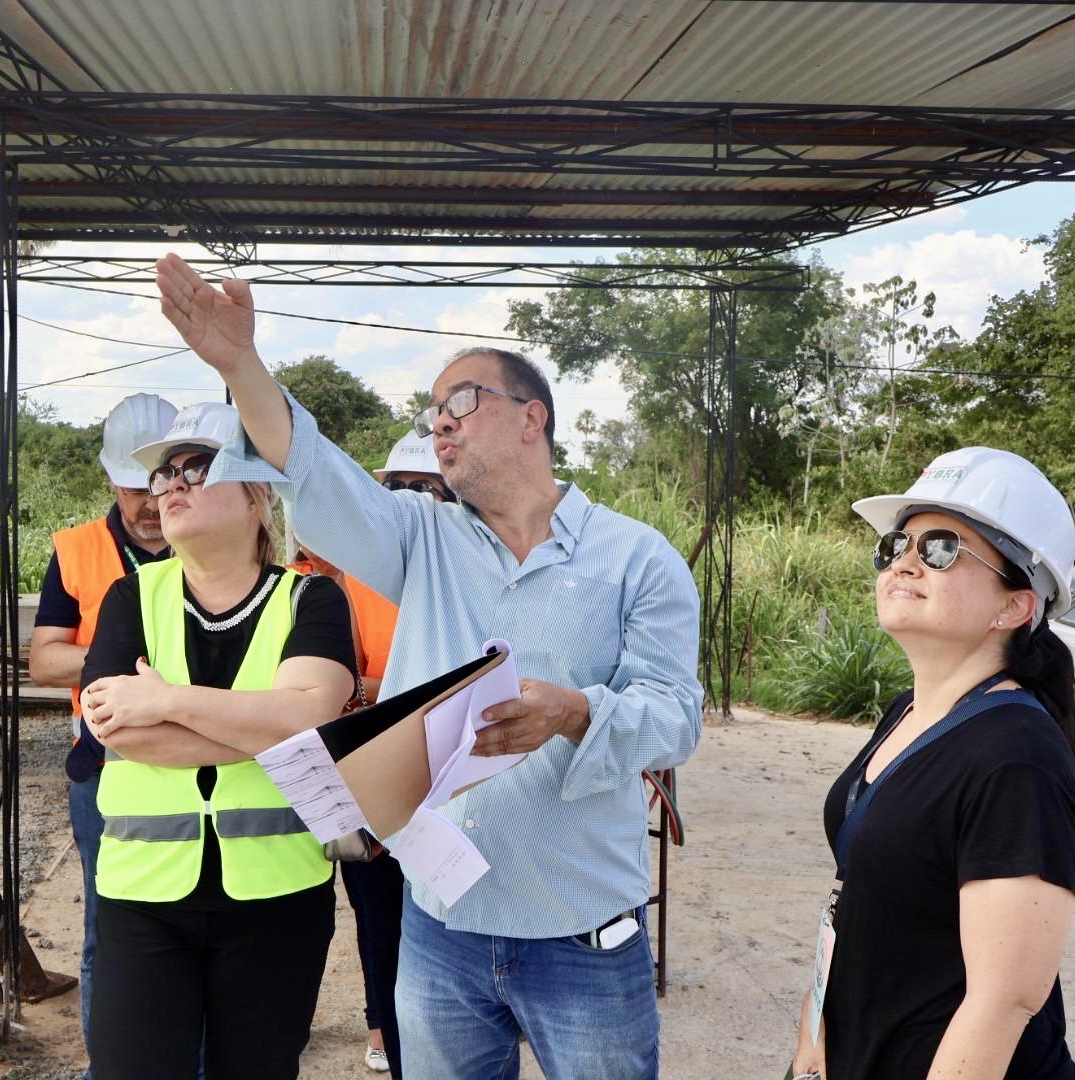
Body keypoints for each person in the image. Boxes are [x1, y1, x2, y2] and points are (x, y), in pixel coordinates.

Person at [155, 253, 704, 1079]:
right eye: (432, 410)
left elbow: (676, 717)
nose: (439, 424)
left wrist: (574, 710)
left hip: (583, 928)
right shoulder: (422, 537)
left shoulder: (638, 559)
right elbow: (315, 467)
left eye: (461, 403)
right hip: (444, 925)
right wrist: (241, 365)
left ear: (533, 419)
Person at [77, 402, 357, 1080]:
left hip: (277, 899)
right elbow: (115, 728)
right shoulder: (130, 597)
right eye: (165, 473)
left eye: (197, 468)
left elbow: (311, 718)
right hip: (143, 898)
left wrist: (167, 700)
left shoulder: (312, 601)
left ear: (258, 495)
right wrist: (267, 723)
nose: (170, 484)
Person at [793, 447, 1075, 1080]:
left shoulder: (1018, 759)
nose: (904, 560)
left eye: (942, 549)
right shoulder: (908, 711)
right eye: (898, 545)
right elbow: (854, 897)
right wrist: (812, 1037)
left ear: (1015, 606)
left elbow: (1003, 1000)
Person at [287, 430, 455, 1077]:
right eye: (401, 489)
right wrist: (395, 690)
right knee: (375, 907)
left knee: (445, 907)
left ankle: (444, 1022)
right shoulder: (349, 580)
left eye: (427, 488)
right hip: (372, 769)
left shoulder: (474, 571)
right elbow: (337, 684)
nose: (414, 499)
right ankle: (383, 1024)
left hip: (449, 771)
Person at [28, 392, 177, 1072]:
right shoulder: (79, 552)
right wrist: (117, 660)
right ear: (106, 477)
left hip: (201, 764)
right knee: (107, 929)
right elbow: (44, 656)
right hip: (106, 765)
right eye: (133, 485)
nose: (150, 502)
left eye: (161, 481)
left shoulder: (216, 538)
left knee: (192, 931)